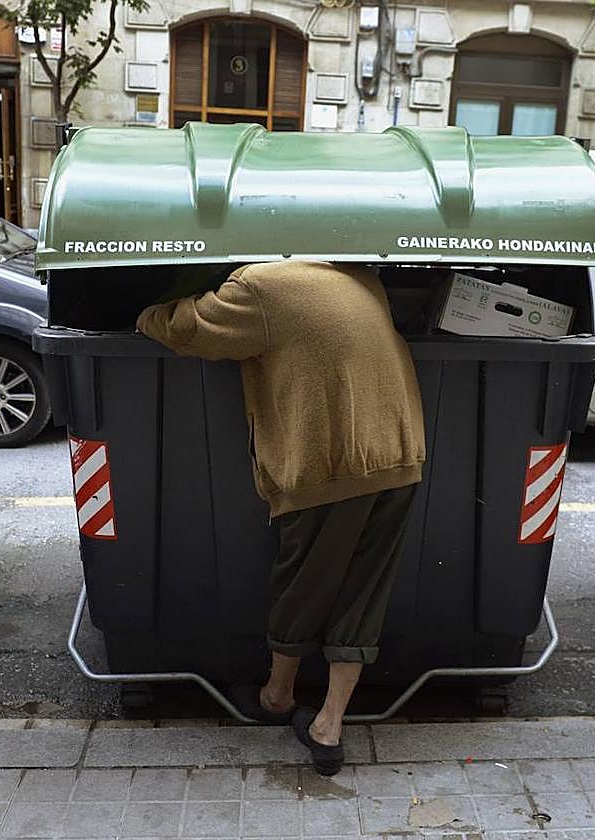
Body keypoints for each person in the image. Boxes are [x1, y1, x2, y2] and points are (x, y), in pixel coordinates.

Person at [136, 260, 424, 776]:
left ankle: (277, 696)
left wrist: (143, 315)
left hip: (331, 463)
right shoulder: (362, 278)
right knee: (364, 593)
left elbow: (190, 329)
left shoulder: (259, 287)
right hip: (399, 457)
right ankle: (329, 725)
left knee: (303, 584)